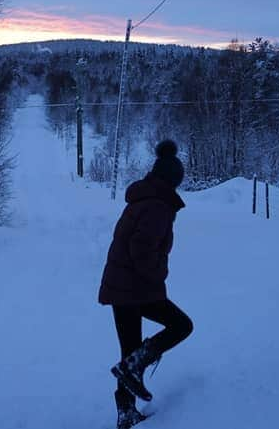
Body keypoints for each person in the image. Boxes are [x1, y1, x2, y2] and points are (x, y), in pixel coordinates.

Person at [98, 139, 194, 429]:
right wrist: (157, 274)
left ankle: (126, 412)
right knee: (181, 326)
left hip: (120, 286)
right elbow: (141, 248)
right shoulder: (157, 205)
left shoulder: (144, 198)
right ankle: (135, 366)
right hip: (135, 286)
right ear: (172, 181)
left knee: (129, 353)